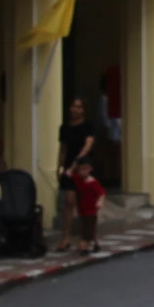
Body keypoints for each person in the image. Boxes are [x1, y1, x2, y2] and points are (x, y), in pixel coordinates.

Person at [57, 96, 103, 251]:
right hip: (69, 167)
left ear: (83, 110)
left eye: (78, 107)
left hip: (82, 166)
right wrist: (60, 166)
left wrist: (77, 161)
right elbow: (63, 148)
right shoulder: (64, 127)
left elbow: (88, 144)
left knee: (86, 204)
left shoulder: (88, 126)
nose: (75, 110)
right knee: (69, 201)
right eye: (73, 106)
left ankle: (90, 238)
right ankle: (66, 237)